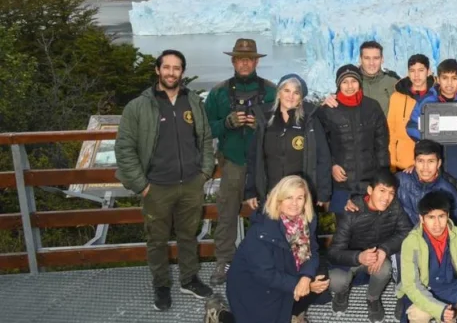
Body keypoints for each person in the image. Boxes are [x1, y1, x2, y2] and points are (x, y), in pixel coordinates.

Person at [114, 49, 215, 310]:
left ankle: (189, 279)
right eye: (166, 67)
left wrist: (204, 172)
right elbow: (124, 147)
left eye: (177, 68)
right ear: (158, 70)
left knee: (188, 235)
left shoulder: (192, 101)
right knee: (156, 239)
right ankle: (161, 285)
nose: (171, 72)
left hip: (191, 183)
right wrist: (141, 185)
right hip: (156, 186)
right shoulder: (138, 106)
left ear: (182, 71)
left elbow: (204, 138)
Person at [205, 38, 278, 285]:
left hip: (264, 164)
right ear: (233, 61)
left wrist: (261, 124)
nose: (244, 63)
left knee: (269, 212)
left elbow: (282, 126)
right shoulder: (218, 93)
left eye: (249, 58)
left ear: (256, 61)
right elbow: (206, 128)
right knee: (226, 212)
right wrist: (227, 123)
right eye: (240, 58)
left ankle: (268, 259)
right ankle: (224, 260)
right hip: (233, 162)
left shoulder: (271, 91)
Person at [225, 176, 330, 323]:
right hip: (254, 289)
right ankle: (221, 315)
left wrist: (306, 278)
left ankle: (294, 312)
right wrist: (302, 285)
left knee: (320, 274)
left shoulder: (306, 221)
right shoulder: (261, 230)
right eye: (288, 197)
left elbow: (313, 251)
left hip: (285, 276)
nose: (294, 203)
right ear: (278, 200)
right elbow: (265, 274)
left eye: (300, 198)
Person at [328, 170, 412, 322]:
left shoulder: (395, 207)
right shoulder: (352, 211)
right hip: (351, 259)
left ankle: (372, 299)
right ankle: (342, 294)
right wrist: (358, 256)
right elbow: (334, 252)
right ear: (370, 190)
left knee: (385, 269)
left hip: (375, 258)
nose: (386, 198)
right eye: (382, 191)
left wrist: (384, 250)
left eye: (391, 193)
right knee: (336, 280)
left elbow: (406, 232)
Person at [244, 74, 331, 214]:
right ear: (279, 93)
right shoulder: (264, 120)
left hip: (301, 196)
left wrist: (323, 191)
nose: (290, 96)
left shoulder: (310, 121)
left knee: (301, 234)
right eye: (286, 91)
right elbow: (254, 158)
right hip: (271, 194)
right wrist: (251, 190)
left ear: (301, 97)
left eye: (296, 92)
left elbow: (323, 157)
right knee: (271, 233)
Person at [398, 191, 457, 323]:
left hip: (450, 286)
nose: (437, 224)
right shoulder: (410, 243)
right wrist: (439, 310)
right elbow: (411, 285)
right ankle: (445, 314)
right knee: (418, 316)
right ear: (422, 219)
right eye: (431, 217)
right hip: (425, 289)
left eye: (441, 216)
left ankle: (449, 315)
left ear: (448, 216)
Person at [318, 64, 390, 215]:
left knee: (370, 229)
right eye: (344, 82)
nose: (350, 86)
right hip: (341, 184)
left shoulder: (372, 107)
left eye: (353, 81)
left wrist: (383, 179)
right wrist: (332, 165)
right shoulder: (329, 110)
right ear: (338, 85)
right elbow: (320, 144)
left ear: (360, 82)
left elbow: (381, 144)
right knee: (344, 230)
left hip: (369, 183)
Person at [406, 58, 457, 189]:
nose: (449, 83)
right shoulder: (426, 102)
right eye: (445, 78)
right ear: (437, 79)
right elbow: (411, 126)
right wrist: (427, 137)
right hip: (433, 165)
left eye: (454, 78)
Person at [396, 139, 457, 227]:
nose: (425, 167)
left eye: (431, 161)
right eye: (420, 161)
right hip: (403, 237)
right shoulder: (400, 181)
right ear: (414, 162)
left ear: (439, 163)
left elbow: (455, 225)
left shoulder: (448, 191)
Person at [388, 54, 434, 171]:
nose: (416, 75)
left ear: (428, 72)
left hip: (428, 167)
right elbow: (390, 133)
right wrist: (392, 166)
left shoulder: (436, 96)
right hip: (402, 166)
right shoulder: (396, 97)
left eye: (421, 70)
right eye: (412, 71)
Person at [360, 40, 401, 115]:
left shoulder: (393, 82)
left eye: (376, 58)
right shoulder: (352, 82)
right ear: (360, 60)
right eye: (367, 58)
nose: (371, 63)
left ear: (382, 59)